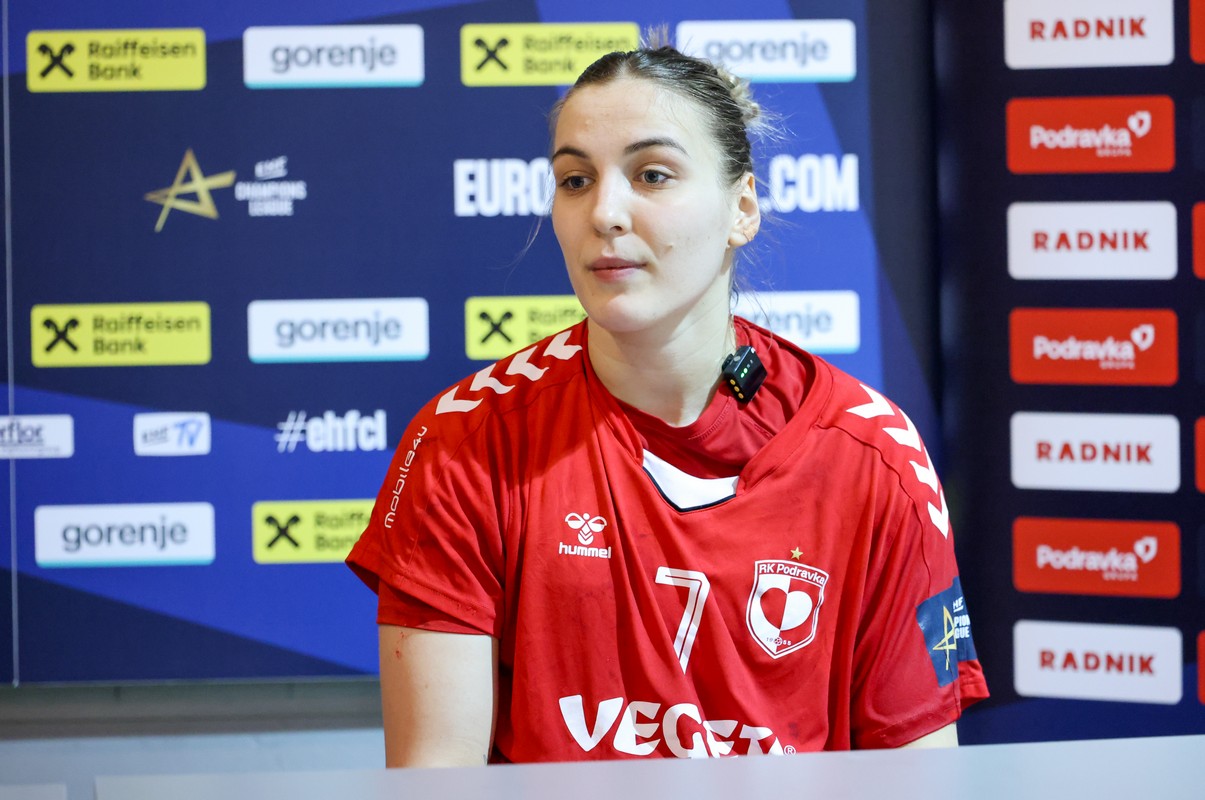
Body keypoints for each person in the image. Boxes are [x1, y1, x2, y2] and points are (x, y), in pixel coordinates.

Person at [347, 39, 988, 767]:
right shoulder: (465, 442)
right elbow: (437, 777)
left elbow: (918, 775)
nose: (604, 212)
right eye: (575, 180)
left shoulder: (874, 458)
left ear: (741, 207)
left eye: (652, 174)